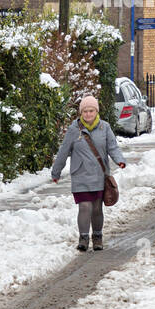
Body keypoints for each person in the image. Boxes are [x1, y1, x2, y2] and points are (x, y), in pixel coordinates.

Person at [51, 95, 126, 252]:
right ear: (81, 112)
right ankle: (83, 238)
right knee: (85, 206)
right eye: (85, 111)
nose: (88, 114)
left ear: (96, 111)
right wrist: (56, 172)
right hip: (80, 175)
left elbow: (113, 147)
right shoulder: (73, 130)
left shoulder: (104, 127)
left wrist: (119, 160)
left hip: (99, 174)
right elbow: (63, 151)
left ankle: (97, 237)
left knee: (97, 208)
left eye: (91, 111)